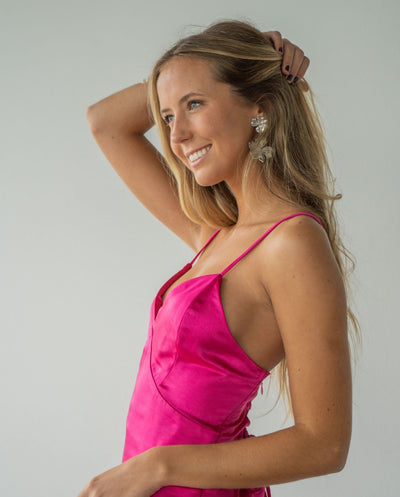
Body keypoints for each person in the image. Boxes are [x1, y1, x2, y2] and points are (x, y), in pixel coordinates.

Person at [81, 20, 358, 497]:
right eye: (168, 116)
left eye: (194, 105)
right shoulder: (214, 235)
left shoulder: (291, 243)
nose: (177, 135)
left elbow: (324, 444)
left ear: (259, 107)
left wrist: (157, 466)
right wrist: (182, 79)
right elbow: (104, 122)